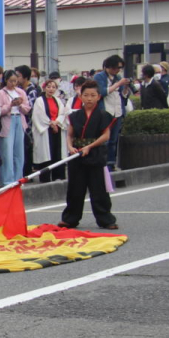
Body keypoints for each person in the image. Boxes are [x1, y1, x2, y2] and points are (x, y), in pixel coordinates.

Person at [59, 79, 117, 230]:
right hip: (77, 155)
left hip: (96, 154)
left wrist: (89, 147)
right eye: (86, 95)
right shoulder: (75, 115)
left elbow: (106, 136)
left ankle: (106, 219)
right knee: (75, 189)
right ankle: (70, 219)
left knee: (98, 189)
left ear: (98, 96)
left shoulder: (104, 115)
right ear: (81, 97)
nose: (89, 98)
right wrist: (70, 146)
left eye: (92, 95)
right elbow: (70, 134)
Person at [0, 69, 31, 185]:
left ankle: (18, 178)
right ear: (5, 80)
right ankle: (7, 180)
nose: (13, 83)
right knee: (7, 151)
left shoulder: (21, 92)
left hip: (19, 120)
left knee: (19, 151)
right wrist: (10, 105)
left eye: (15, 81)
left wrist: (20, 105)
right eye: (11, 81)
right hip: (7, 121)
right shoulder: (0, 93)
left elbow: (27, 109)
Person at [32, 77, 69, 182]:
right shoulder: (39, 100)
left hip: (57, 128)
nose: (51, 89)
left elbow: (62, 113)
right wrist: (51, 123)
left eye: (53, 87)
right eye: (49, 87)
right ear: (44, 88)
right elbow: (38, 115)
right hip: (45, 130)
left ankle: (58, 176)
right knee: (46, 154)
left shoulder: (58, 100)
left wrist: (56, 122)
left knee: (58, 153)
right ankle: (46, 178)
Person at [96, 55, 129, 169]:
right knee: (105, 140)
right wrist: (118, 84)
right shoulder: (99, 77)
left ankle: (111, 163)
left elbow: (122, 96)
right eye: (116, 68)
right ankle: (103, 164)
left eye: (120, 68)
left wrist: (125, 89)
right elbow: (101, 92)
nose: (118, 70)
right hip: (106, 112)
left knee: (114, 140)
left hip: (117, 112)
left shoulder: (118, 77)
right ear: (108, 67)